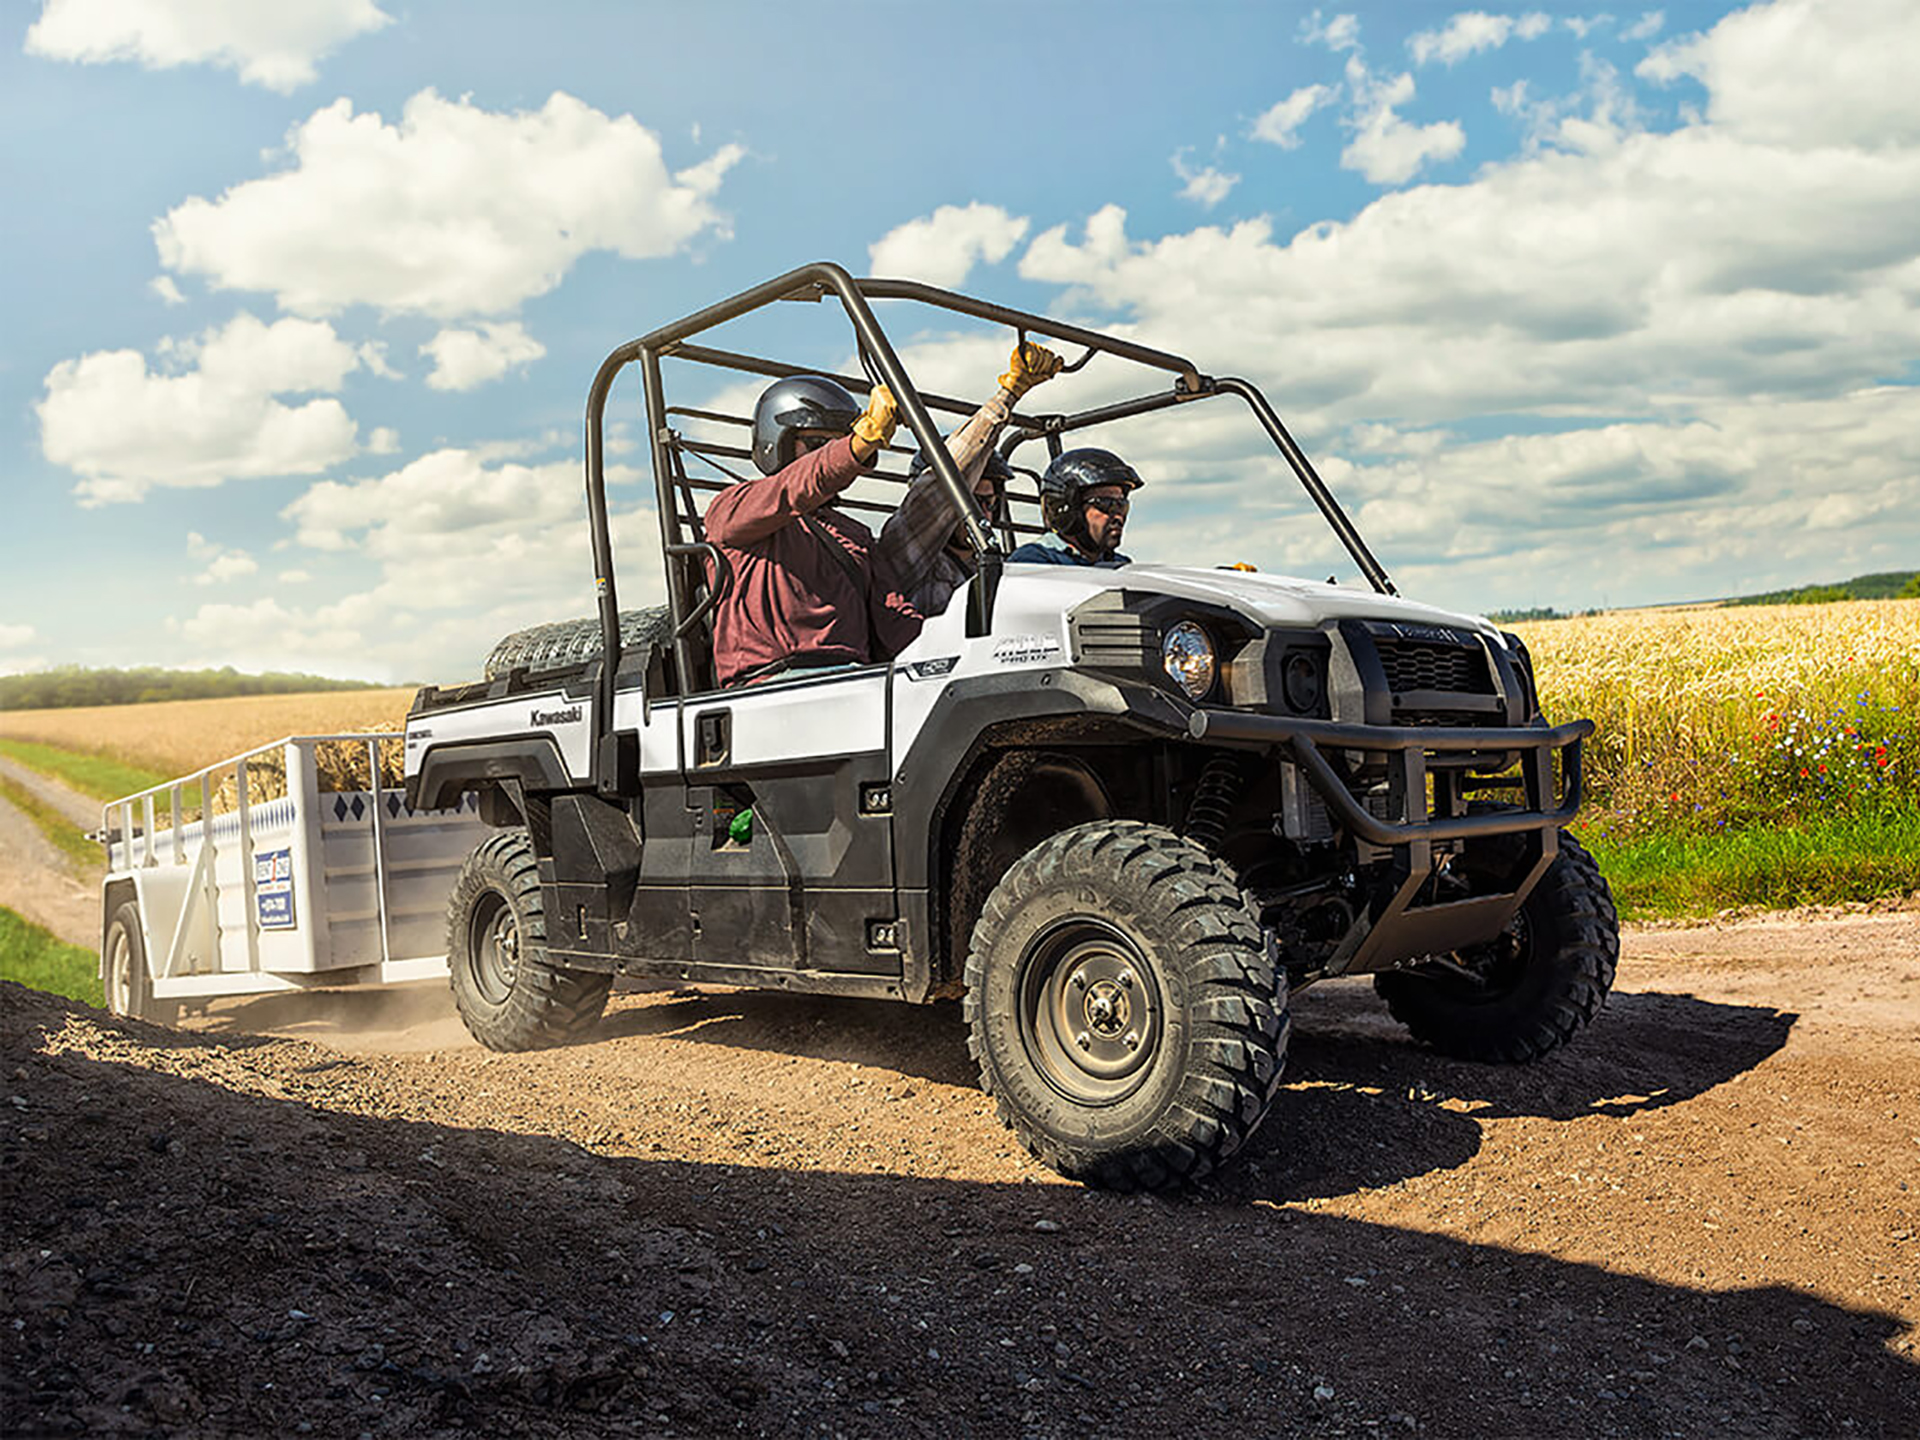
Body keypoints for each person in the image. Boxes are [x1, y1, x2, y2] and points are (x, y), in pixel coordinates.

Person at [702, 375, 918, 688]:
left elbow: (897, 625)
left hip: (857, 681)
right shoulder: (736, 508)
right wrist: (859, 444)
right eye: (818, 445)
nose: (828, 454)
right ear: (779, 443)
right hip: (771, 684)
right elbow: (794, 487)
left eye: (838, 443)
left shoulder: (854, 534)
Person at [878, 340, 1063, 619]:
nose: (984, 512)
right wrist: (1009, 394)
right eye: (972, 501)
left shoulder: (997, 567)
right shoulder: (907, 555)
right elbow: (947, 477)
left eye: (990, 501)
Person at [1006, 448, 1140, 567]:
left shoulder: (1119, 563)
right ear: (1070, 511)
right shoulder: (1033, 561)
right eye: (1105, 504)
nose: (1118, 516)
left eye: (1121, 505)